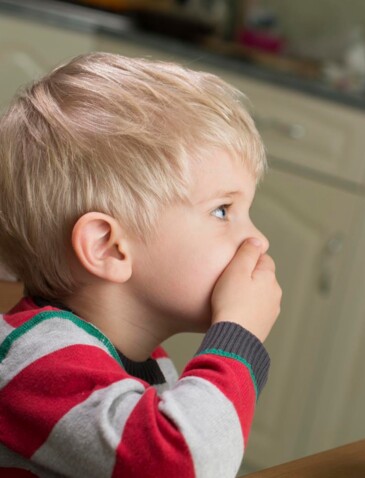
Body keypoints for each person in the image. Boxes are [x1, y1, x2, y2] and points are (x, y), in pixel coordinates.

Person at [0, 52, 282, 477]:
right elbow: (183, 464)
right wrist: (237, 336)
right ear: (109, 248)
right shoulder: (39, 363)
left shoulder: (143, 362)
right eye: (223, 210)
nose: (256, 239)